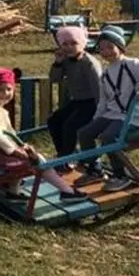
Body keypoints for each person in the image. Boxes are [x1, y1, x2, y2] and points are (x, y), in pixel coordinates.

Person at [0, 67, 88, 202]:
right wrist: (16, 151)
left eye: (9, 89)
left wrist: (21, 146)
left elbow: (7, 136)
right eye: (0, 90)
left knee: (32, 156)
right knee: (35, 160)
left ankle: (14, 192)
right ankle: (66, 191)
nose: (5, 93)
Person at [74, 25, 139, 193]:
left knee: (108, 137)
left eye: (110, 47)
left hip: (130, 116)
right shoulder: (105, 74)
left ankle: (120, 175)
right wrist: (96, 120)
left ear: (120, 48)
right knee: (84, 133)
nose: (106, 52)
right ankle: (95, 168)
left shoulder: (131, 64)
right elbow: (103, 102)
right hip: (111, 114)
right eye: (102, 49)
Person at [46, 26, 102, 170]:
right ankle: (63, 154)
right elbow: (54, 79)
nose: (69, 47)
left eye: (73, 43)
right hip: (77, 101)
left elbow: (98, 89)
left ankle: (67, 157)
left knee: (70, 126)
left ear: (82, 44)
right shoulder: (66, 60)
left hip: (91, 102)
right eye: (65, 44)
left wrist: (100, 112)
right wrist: (57, 63)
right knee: (54, 120)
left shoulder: (89, 63)